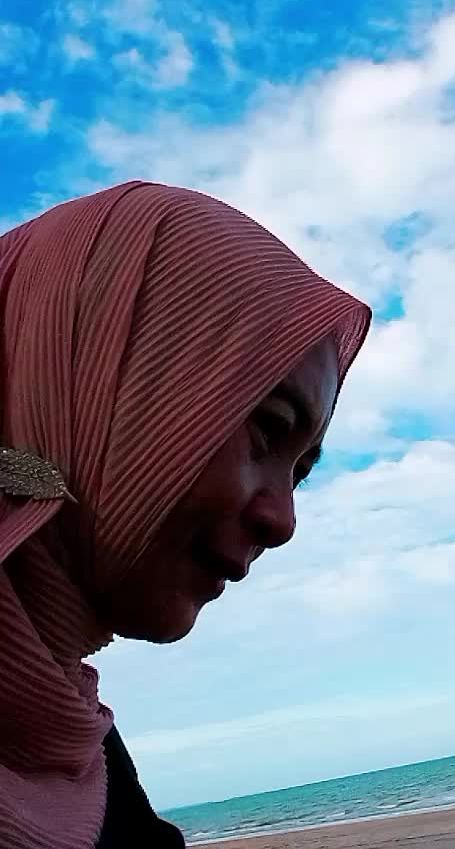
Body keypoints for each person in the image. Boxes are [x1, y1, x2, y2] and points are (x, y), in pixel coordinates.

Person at [0, 180, 370, 849]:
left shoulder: (83, 750)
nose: (283, 522)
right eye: (268, 427)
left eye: (301, 473)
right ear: (80, 384)